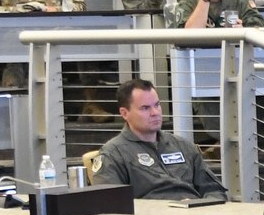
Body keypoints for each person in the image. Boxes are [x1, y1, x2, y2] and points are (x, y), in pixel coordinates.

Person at [90, 79, 228, 202]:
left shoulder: (182, 146)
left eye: (157, 105)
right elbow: (112, 205)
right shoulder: (113, 154)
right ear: (125, 113)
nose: (155, 112)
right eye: (145, 108)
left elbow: (214, 190)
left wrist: (205, 208)